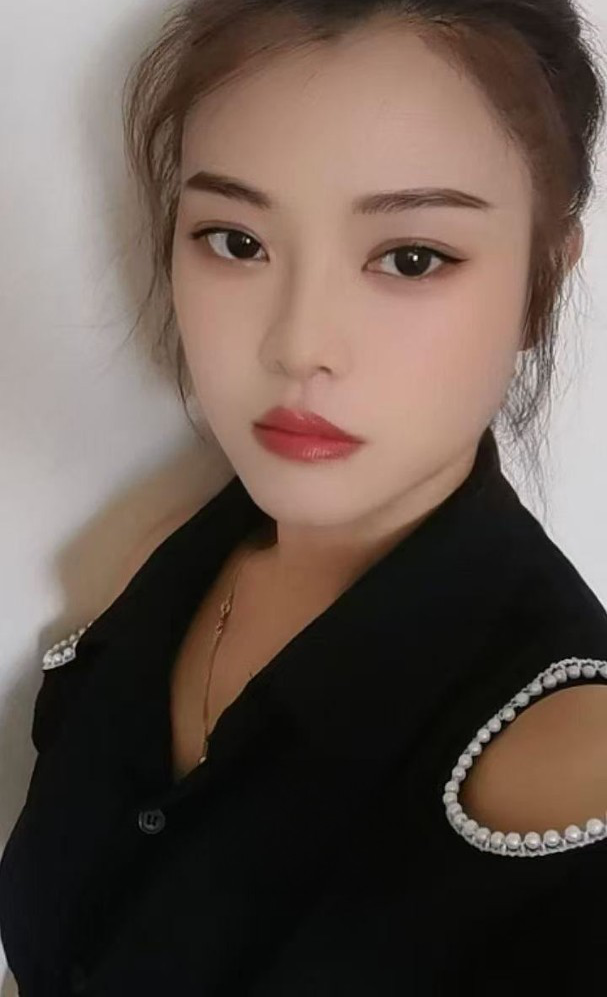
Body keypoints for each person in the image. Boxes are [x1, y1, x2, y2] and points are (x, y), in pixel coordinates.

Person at [1, 0, 607, 993]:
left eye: (410, 257)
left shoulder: (562, 767)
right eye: (236, 241)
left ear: (540, 281)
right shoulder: (146, 567)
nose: (297, 345)